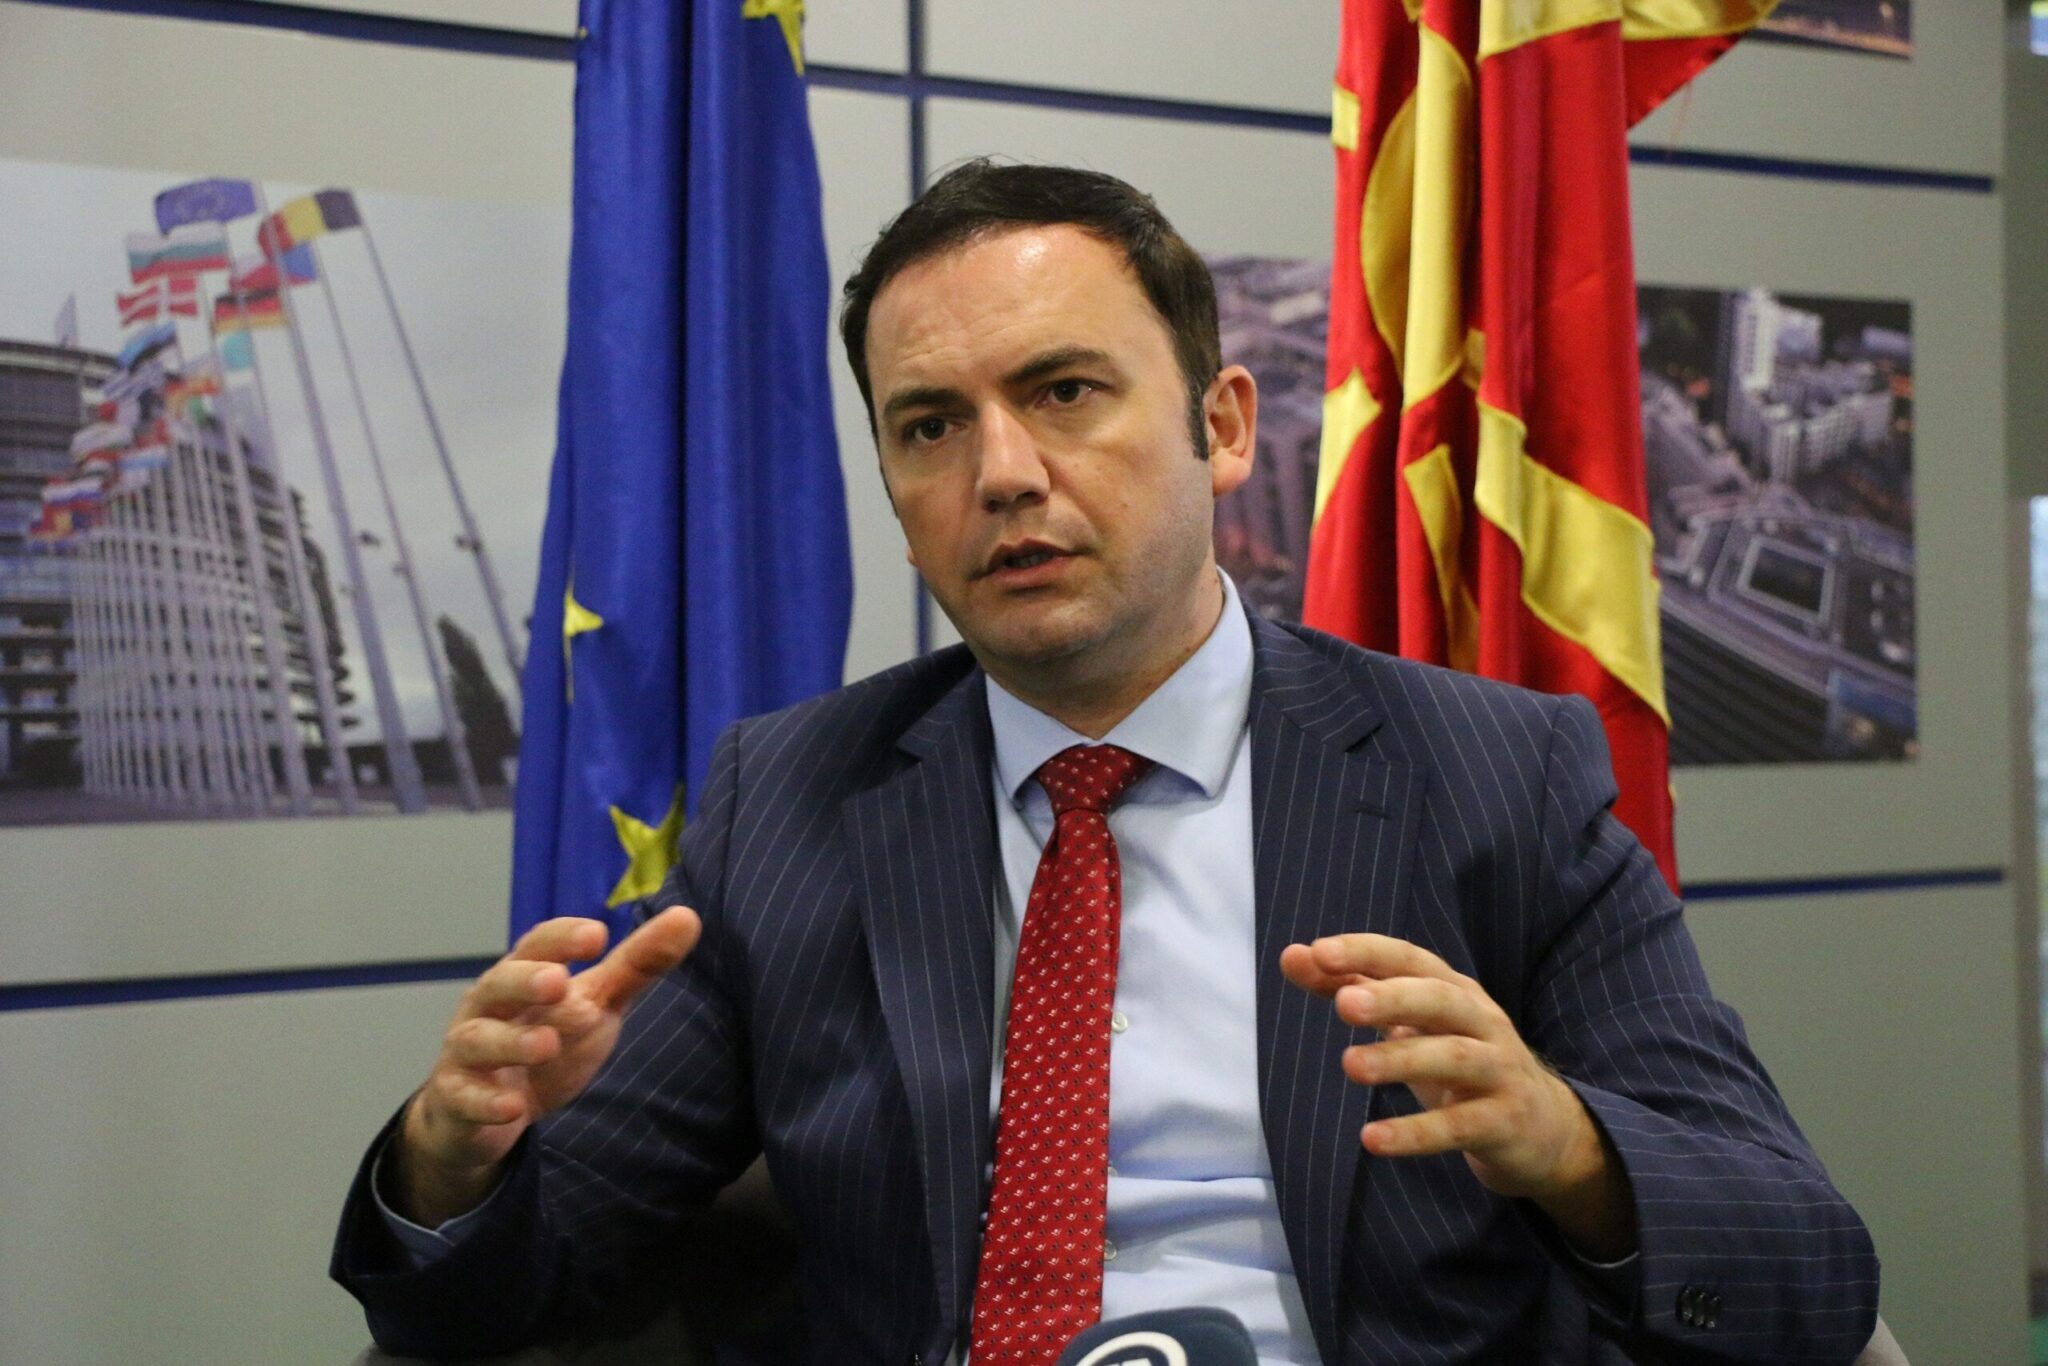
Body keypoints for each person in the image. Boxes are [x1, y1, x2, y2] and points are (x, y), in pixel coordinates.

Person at [334, 160, 1878, 1365]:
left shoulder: (1494, 776)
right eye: (929, 426)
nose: (1002, 473)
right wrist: (450, 1160)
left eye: (1064, 392)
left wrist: (1570, 1148)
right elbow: (508, 1283)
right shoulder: (791, 801)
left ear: (1223, 425)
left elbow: (1807, 1270)